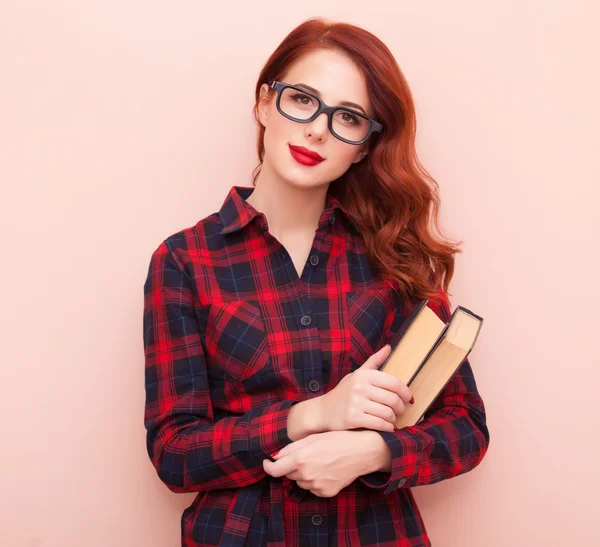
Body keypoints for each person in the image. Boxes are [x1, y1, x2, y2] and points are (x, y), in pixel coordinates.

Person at [142, 17, 490, 547]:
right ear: (264, 103)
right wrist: (312, 415)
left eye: (348, 117)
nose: (318, 129)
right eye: (302, 100)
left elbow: (466, 428)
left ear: (366, 146)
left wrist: (372, 453)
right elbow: (174, 454)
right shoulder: (185, 260)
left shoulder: (394, 256)